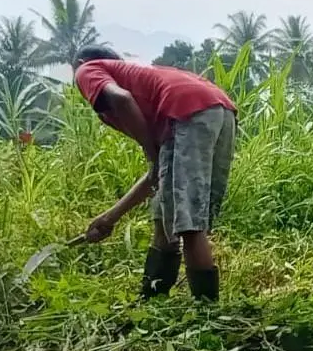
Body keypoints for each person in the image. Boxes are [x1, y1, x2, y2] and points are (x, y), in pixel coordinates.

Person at [72, 47, 238, 301]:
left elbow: (122, 98)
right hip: (220, 109)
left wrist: (149, 151)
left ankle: (207, 315)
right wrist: (110, 218)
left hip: (186, 109)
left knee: (188, 223)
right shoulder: (148, 92)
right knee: (167, 217)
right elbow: (158, 176)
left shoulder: (88, 68)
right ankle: (152, 299)